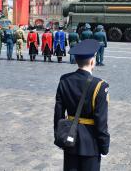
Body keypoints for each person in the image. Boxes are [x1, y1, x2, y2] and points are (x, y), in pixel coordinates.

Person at [54, 39, 110, 171]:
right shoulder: (100, 85)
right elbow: (101, 121)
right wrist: (104, 146)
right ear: (92, 61)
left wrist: (59, 136)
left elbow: (58, 113)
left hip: (70, 139)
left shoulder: (64, 80)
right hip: (90, 143)